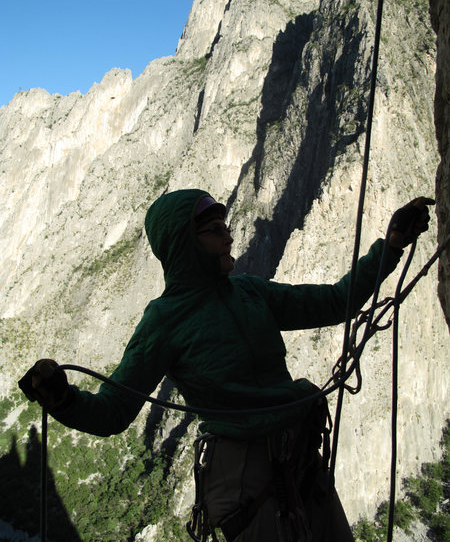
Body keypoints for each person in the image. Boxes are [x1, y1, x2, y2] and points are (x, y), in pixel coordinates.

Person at [19, 189, 433, 541]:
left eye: (226, 228)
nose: (229, 238)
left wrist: (391, 245)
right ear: (185, 243)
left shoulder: (248, 291)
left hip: (302, 460)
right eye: (216, 231)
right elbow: (113, 412)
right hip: (249, 485)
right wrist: (61, 398)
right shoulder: (164, 322)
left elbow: (332, 301)